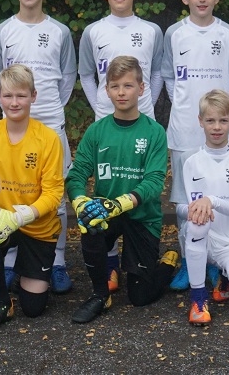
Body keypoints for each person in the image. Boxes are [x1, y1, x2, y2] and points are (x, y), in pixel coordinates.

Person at [0, 0, 77, 295]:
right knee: (12, 191)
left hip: (51, 122)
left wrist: (46, 108)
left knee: (55, 196)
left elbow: (67, 78)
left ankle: (57, 262)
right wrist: (14, 110)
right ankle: (12, 260)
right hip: (13, 126)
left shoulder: (60, 32)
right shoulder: (2, 31)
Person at [66, 56, 179, 323]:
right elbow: (76, 174)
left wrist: (121, 203)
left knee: (140, 297)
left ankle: (168, 262)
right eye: (115, 86)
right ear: (106, 90)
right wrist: (80, 201)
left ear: (141, 88)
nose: (121, 92)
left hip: (142, 217)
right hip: (108, 213)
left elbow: (154, 181)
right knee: (89, 222)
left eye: (128, 86)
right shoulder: (97, 131)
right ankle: (100, 294)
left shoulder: (154, 132)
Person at [78, 0, 164, 293]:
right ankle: (110, 264)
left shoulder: (151, 30)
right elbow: (86, 74)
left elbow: (157, 72)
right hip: (107, 118)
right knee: (107, 187)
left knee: (138, 182)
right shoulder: (93, 31)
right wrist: (99, 105)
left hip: (141, 118)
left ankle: (143, 255)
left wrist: (147, 102)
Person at [0, 64, 65, 332]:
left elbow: (54, 193)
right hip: (1, 222)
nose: (14, 102)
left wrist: (22, 216)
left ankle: (26, 274)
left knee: (33, 309)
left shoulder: (49, 139)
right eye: (8, 95)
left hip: (37, 226)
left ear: (33, 96)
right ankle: (1, 303)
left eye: (21, 95)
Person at [161, 0, 229, 291]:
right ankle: (187, 258)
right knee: (186, 198)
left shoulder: (227, 33)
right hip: (185, 129)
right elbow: (169, 77)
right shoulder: (174, 33)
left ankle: (214, 261)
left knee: (217, 194)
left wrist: (216, 114)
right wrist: (186, 105)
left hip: (217, 128)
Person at [175, 90, 229, 326]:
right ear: (200, 121)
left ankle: (224, 275)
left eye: (223, 120)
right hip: (199, 236)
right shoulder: (187, 159)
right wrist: (196, 210)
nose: (217, 127)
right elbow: (179, 207)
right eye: (210, 120)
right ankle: (198, 298)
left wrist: (212, 201)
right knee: (198, 222)